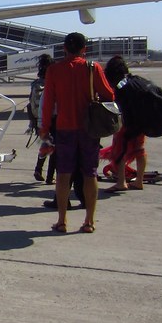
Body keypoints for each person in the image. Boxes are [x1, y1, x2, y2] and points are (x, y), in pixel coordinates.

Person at [39, 32, 115, 233]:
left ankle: (62, 221)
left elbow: (48, 103)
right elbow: (109, 95)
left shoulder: (54, 70)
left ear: (64, 48)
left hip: (64, 128)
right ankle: (89, 221)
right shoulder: (92, 68)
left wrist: (44, 129)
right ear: (84, 50)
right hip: (89, 129)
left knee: (63, 174)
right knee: (90, 173)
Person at [103, 55, 147, 191]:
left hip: (126, 122)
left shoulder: (120, 84)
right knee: (140, 151)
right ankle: (139, 180)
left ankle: (121, 182)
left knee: (119, 152)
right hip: (140, 121)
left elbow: (117, 102)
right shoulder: (134, 80)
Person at [29, 54, 54, 182]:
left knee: (46, 143)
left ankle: (38, 169)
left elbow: (31, 103)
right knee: (53, 146)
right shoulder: (52, 82)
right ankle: (50, 176)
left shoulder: (35, 84)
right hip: (51, 118)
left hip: (37, 119)